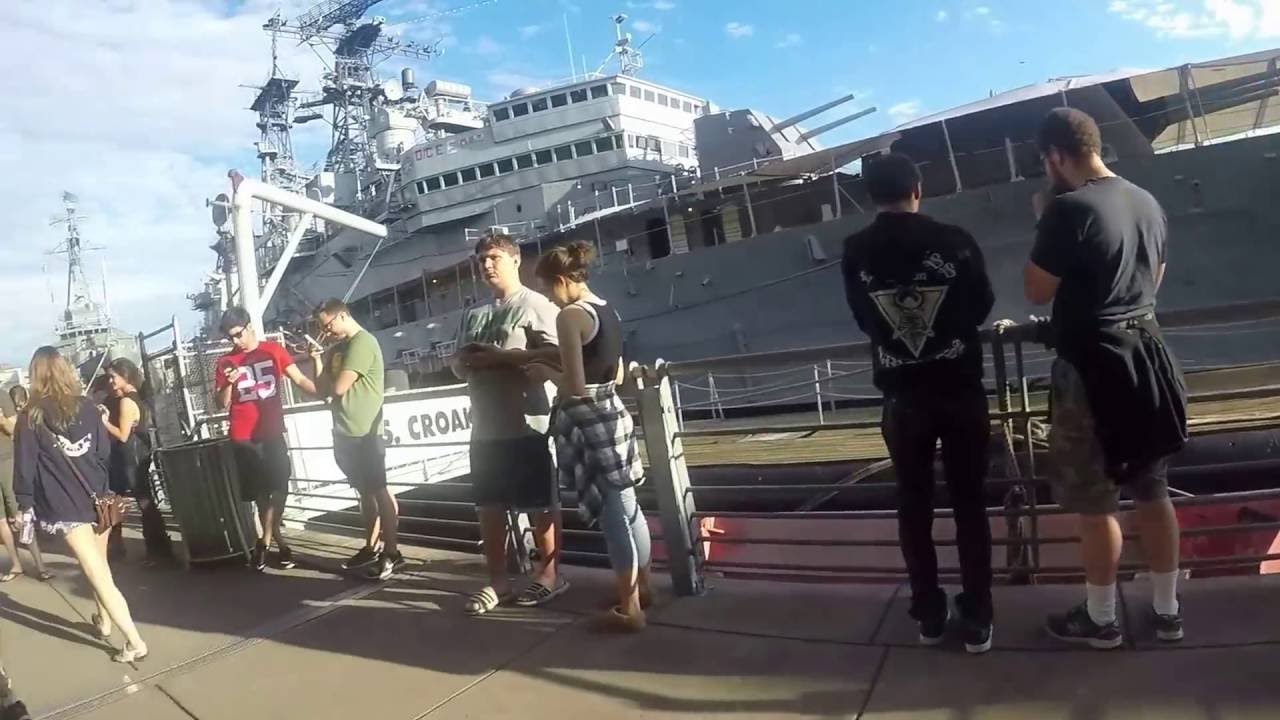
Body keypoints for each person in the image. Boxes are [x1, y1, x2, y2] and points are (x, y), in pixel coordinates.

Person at [1025, 108, 1187, 649]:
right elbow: (1154, 280)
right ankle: (1167, 612)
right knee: (1152, 489)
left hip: (1092, 370)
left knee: (1097, 502)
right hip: (1148, 360)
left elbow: (1036, 291)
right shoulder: (1147, 201)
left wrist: (1044, 220)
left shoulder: (1067, 208)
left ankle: (1100, 618)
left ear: (1054, 157)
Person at [841, 152, 996, 654]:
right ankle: (978, 617)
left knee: (913, 506)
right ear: (917, 189)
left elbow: (863, 317)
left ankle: (928, 615)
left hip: (903, 395)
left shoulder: (855, 250)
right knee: (970, 505)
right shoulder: (956, 240)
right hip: (960, 388)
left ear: (871, 196)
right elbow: (983, 303)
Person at [524, 241, 650, 631]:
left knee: (613, 517)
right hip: (614, 414)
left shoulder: (570, 316)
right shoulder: (607, 309)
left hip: (589, 422)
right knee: (630, 507)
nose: (548, 298)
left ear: (562, 280)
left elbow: (575, 386)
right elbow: (617, 373)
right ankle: (644, 589)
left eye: (548, 289)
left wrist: (544, 371)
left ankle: (630, 609)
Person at [450, 233, 567, 616]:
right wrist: (465, 361)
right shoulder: (473, 314)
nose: (487, 265)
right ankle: (498, 581)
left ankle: (549, 574)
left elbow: (557, 355)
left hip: (528, 424)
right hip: (484, 428)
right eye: (481, 259)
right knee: (489, 506)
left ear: (516, 260)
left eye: (494, 257)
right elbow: (457, 366)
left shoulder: (536, 305)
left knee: (540, 504)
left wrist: (501, 357)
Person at [13, 347, 148, 663]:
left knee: (97, 572)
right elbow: (102, 452)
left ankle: (134, 641)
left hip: (64, 502)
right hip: (98, 497)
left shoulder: (31, 416)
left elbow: (25, 466)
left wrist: (25, 503)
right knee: (99, 565)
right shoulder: (88, 406)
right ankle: (104, 621)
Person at [215, 306, 320, 572]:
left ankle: (264, 542)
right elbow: (220, 403)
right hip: (243, 435)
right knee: (262, 493)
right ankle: (279, 545)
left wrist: (325, 392)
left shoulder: (273, 350)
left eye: (238, 334)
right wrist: (228, 383)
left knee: (281, 484)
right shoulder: (225, 362)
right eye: (230, 337)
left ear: (250, 327)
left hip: (271, 431)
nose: (235, 341)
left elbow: (299, 379)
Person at [312, 298, 403, 580]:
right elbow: (321, 389)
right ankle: (371, 547)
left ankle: (392, 552)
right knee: (365, 492)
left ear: (342, 316)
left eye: (327, 325)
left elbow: (338, 388)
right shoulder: (336, 349)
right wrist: (317, 360)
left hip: (366, 433)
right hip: (343, 431)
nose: (326, 332)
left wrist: (329, 382)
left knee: (379, 490)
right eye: (322, 328)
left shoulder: (363, 343)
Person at [100, 358, 172, 565]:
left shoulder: (126, 401)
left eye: (113, 377)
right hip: (137, 453)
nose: (111, 381)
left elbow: (122, 435)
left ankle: (157, 550)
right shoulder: (136, 398)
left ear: (125, 375)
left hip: (131, 455)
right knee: (143, 500)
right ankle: (158, 548)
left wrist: (104, 422)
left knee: (142, 501)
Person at [0, 387, 49, 582]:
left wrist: (1, 419)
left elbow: (14, 428)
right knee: (1, 519)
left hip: (6, 460)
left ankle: (40, 565)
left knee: (19, 513)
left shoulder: (1, 395)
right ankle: (16, 564)